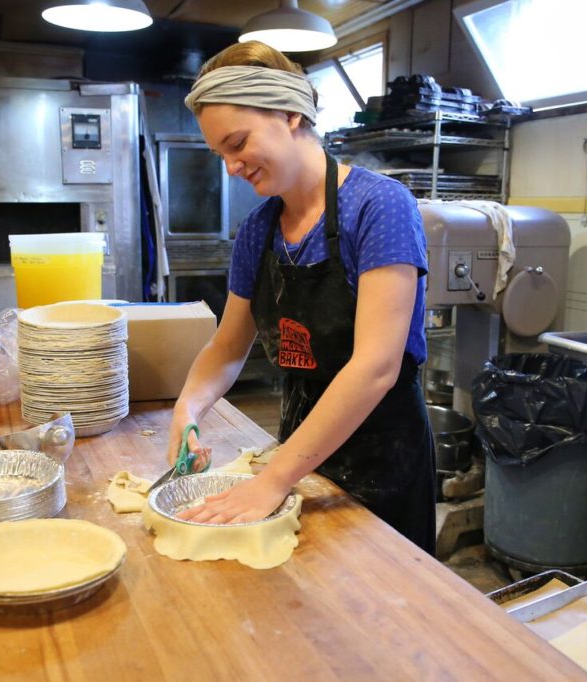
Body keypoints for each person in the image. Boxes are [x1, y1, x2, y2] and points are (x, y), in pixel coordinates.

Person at [167, 41, 436, 554]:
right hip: (298, 456)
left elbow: (376, 367)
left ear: (290, 114)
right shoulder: (258, 230)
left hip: (383, 462)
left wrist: (270, 482)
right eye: (221, 153)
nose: (232, 167)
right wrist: (189, 407)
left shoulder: (380, 208)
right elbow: (227, 347)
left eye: (238, 142)